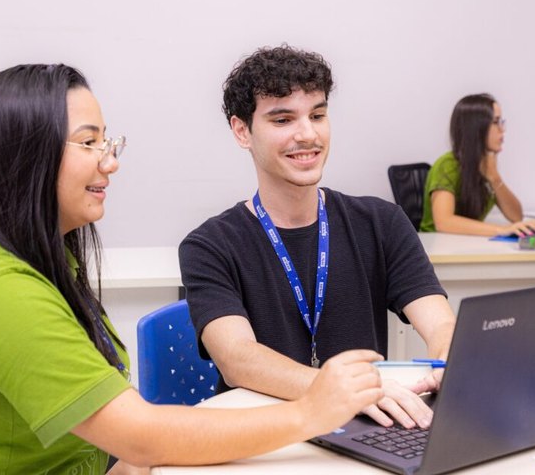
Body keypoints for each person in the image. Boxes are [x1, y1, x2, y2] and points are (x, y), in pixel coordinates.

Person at [0, 64, 385, 474]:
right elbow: (139, 434)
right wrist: (310, 412)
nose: (109, 162)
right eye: (89, 143)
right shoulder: (1, 291)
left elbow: (117, 436)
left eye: (108, 141)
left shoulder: (36, 254)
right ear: (27, 156)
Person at [178, 45, 456, 431]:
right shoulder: (210, 245)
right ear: (242, 131)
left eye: (318, 115)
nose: (307, 134)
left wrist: (448, 358)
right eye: (283, 119)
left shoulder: (381, 222)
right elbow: (237, 358)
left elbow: (441, 325)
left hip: (368, 430)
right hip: (264, 433)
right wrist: (345, 391)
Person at [419, 93, 535, 236]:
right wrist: (501, 230)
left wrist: (495, 178)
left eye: (502, 122)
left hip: (463, 244)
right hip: (437, 248)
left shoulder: (484, 165)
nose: (502, 130)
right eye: (496, 122)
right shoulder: (447, 165)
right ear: (476, 128)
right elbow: (444, 222)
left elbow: (516, 217)